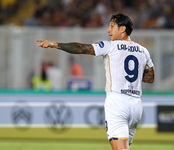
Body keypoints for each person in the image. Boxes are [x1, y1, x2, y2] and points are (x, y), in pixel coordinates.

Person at [36, 13, 155, 150]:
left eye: (111, 26)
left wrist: (55, 44)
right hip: (136, 105)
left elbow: (81, 48)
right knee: (124, 147)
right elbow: (150, 78)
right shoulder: (143, 51)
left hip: (117, 102)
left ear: (122, 29)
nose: (108, 30)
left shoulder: (110, 46)